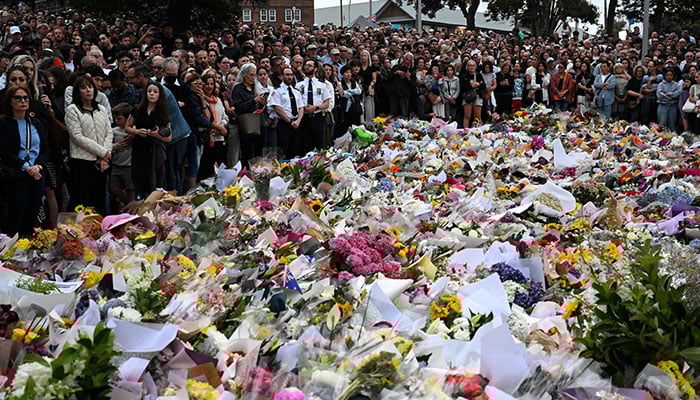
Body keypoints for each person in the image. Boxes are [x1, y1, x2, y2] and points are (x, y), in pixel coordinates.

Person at [0, 85, 49, 235]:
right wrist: (25, 166)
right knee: (16, 216)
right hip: (16, 175)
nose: (23, 101)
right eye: (18, 98)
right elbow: (4, 151)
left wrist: (38, 166)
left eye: (25, 98)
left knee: (32, 216)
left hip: (36, 175)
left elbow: (45, 150)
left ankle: (27, 250)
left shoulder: (35, 123)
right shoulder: (4, 124)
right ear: (10, 101)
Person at [64, 75, 112, 215]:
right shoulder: (72, 110)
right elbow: (77, 136)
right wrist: (103, 152)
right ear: (78, 92)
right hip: (81, 162)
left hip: (102, 162)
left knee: (100, 200)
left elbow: (108, 133)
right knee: (81, 201)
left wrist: (104, 157)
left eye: (90, 87)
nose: (88, 90)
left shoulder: (101, 109)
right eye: (83, 88)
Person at [126, 81, 172, 198]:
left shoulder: (162, 112)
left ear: (159, 95)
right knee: (139, 178)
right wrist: (138, 131)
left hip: (155, 149)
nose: (151, 94)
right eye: (149, 91)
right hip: (139, 148)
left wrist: (157, 134)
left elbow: (169, 137)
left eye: (155, 92)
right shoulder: (137, 109)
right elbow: (127, 127)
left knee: (155, 179)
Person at [231, 63, 266, 165]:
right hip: (246, 124)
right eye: (251, 75)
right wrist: (254, 100)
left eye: (254, 75)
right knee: (247, 152)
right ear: (243, 74)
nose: (253, 77)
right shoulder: (238, 88)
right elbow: (239, 107)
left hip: (258, 122)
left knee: (259, 151)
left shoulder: (256, 87)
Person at [197, 73, 228, 180]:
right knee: (207, 168)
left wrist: (222, 126)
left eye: (212, 84)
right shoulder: (201, 100)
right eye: (207, 84)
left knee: (221, 166)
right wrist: (218, 128)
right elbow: (205, 119)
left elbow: (225, 116)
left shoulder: (218, 100)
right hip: (208, 138)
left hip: (220, 137)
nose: (209, 86)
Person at [296, 59, 331, 152]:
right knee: (305, 144)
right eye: (306, 65)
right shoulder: (299, 85)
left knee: (318, 143)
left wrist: (316, 107)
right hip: (304, 118)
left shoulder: (322, 85)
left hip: (317, 118)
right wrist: (303, 108)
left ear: (315, 69)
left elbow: (327, 103)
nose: (307, 67)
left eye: (310, 65)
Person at [269, 67, 304, 158]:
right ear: (282, 76)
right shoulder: (277, 91)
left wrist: (298, 121)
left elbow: (301, 107)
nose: (289, 77)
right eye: (287, 75)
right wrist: (290, 121)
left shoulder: (296, 92)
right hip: (284, 123)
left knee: (296, 149)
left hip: (296, 123)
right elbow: (277, 108)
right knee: (284, 150)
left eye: (291, 75)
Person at [109, 103, 134, 209]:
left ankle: (132, 209)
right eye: (115, 118)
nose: (116, 121)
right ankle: (127, 204)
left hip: (129, 165)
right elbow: (107, 145)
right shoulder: (114, 131)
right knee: (113, 188)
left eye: (119, 118)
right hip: (116, 165)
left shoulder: (135, 131)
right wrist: (115, 147)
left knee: (131, 189)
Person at [337, 65, 363, 136]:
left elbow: (359, 91)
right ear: (342, 74)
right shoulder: (340, 83)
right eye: (346, 72)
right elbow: (343, 94)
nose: (349, 74)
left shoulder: (354, 82)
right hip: (346, 108)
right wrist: (352, 92)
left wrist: (350, 91)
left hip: (355, 107)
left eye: (350, 72)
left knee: (356, 126)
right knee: (345, 127)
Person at [460, 59, 485, 128]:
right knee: (467, 116)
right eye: (470, 65)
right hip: (467, 96)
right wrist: (471, 86)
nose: (472, 67)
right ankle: (465, 130)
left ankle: (479, 131)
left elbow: (484, 86)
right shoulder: (464, 76)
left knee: (477, 116)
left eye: (473, 65)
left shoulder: (478, 75)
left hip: (477, 95)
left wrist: (478, 85)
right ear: (467, 67)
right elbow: (462, 87)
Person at [656, 68, 682, 132]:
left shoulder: (676, 84)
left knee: (672, 123)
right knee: (662, 123)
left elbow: (678, 93)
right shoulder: (661, 84)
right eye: (667, 75)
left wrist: (669, 94)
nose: (669, 77)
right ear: (665, 76)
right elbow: (659, 95)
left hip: (672, 105)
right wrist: (669, 96)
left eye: (671, 75)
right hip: (663, 105)